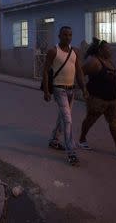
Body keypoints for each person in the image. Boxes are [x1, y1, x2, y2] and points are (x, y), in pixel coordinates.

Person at [79, 38, 116, 160]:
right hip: (97, 100)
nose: (110, 50)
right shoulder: (94, 62)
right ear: (100, 50)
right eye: (108, 48)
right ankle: (82, 139)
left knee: (115, 123)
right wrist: (84, 89)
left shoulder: (109, 61)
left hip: (113, 100)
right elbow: (80, 73)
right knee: (90, 120)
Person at [42, 26, 88, 166]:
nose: (68, 37)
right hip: (59, 89)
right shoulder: (53, 51)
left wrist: (84, 88)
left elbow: (79, 71)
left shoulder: (74, 52)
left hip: (71, 90)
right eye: (65, 35)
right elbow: (45, 71)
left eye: (70, 35)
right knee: (68, 119)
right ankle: (71, 153)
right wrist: (46, 90)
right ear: (59, 36)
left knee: (62, 117)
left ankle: (54, 140)